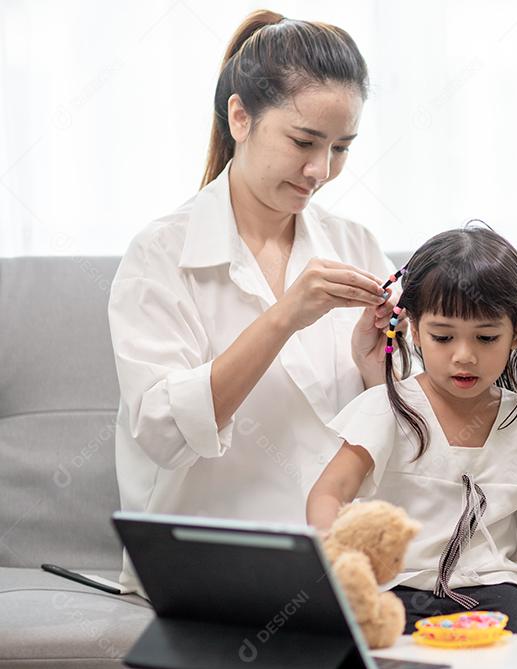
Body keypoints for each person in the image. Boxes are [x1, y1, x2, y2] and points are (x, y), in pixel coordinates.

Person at [108, 10, 409, 595]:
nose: (320, 171)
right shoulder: (160, 255)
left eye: (341, 148)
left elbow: (403, 428)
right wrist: (283, 317)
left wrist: (381, 375)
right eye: (303, 142)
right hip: (209, 562)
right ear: (240, 116)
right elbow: (164, 432)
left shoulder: (356, 244)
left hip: (342, 561)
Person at [307, 224, 517, 669]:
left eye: (486, 337)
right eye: (443, 336)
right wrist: (344, 569)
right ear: (412, 329)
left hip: (495, 588)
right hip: (401, 588)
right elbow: (328, 494)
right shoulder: (388, 408)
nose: (464, 355)